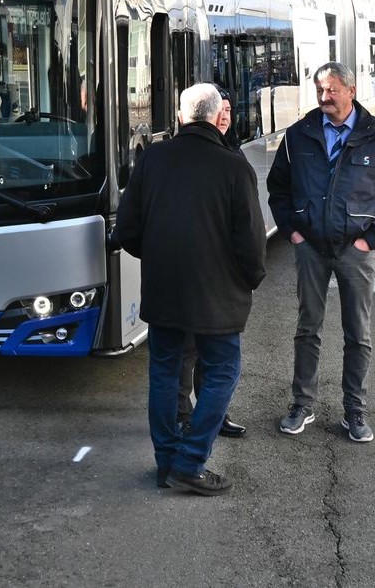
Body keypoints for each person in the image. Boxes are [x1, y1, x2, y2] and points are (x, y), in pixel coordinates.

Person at [113, 83, 266, 496]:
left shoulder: (153, 159)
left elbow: (127, 230)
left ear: (180, 117)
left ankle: (167, 463)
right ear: (219, 117)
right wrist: (249, 280)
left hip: (164, 292)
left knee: (164, 373)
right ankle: (191, 461)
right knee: (223, 373)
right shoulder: (234, 167)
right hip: (218, 297)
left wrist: (161, 258)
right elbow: (251, 244)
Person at [268, 61, 375, 443]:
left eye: (332, 90)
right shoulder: (299, 135)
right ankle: (302, 405)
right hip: (311, 247)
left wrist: (372, 239)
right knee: (307, 328)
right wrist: (292, 233)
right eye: (320, 90)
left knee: (358, 333)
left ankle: (355, 411)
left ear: (351, 90)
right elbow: (278, 188)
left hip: (356, 249)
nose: (324, 97)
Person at [176, 89, 246, 439]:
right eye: (220, 111)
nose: (224, 116)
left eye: (229, 111)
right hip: (195, 275)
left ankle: (212, 414)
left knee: (209, 356)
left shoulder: (233, 155)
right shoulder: (185, 155)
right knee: (187, 352)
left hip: (221, 280)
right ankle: (184, 415)